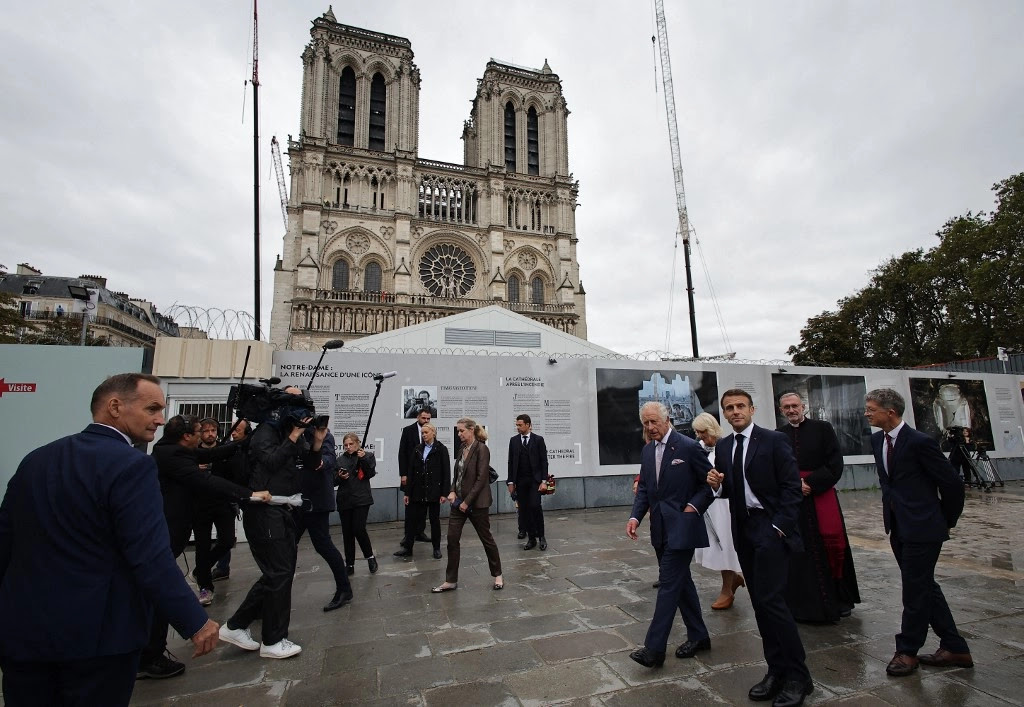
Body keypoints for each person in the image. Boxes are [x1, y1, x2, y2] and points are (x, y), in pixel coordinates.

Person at [0, 373, 219, 707]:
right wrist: (195, 621)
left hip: (24, 634)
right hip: (96, 639)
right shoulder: (132, 466)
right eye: (152, 408)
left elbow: (5, 542)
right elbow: (150, 557)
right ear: (115, 406)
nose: (160, 419)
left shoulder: (37, 459)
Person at [707, 389, 813, 707]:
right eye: (729, 408)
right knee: (760, 603)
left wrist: (779, 527)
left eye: (741, 406)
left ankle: (798, 676)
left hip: (771, 528)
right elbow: (730, 489)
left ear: (752, 409)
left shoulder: (773, 440)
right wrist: (718, 483)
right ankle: (776, 670)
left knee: (773, 601)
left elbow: (792, 487)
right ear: (724, 414)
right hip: (744, 529)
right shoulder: (725, 445)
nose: (735, 411)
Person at [142, 414, 264, 678]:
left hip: (173, 529)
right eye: (199, 432)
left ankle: (150, 652)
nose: (202, 436)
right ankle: (150, 656)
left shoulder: (172, 451)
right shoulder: (171, 456)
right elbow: (206, 480)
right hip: (168, 531)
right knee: (161, 593)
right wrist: (249, 494)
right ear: (187, 436)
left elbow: (213, 454)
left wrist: (248, 439)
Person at [865, 388, 973, 677]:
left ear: (891, 412)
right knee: (924, 586)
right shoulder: (878, 440)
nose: (866, 413)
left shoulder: (920, 442)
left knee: (914, 590)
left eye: (871, 408)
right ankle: (955, 647)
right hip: (899, 526)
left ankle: (907, 651)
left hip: (924, 527)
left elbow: (951, 484)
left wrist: (944, 520)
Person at [219, 387, 327, 660]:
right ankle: (273, 640)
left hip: (283, 510)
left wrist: (316, 441)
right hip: (264, 511)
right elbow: (269, 462)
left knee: (278, 574)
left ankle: (236, 625)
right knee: (279, 574)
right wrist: (293, 435)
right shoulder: (265, 432)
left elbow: (311, 462)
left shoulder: (286, 433)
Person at [626, 402, 714, 668]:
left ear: (667, 420)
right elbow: (645, 490)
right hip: (660, 530)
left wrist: (692, 507)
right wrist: (634, 517)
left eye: (654, 422)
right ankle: (699, 636)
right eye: (646, 424)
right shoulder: (647, 450)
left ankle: (654, 649)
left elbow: (707, 486)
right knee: (681, 583)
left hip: (683, 527)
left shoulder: (688, 447)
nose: (650, 428)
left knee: (667, 584)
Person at [776, 392, 860, 623]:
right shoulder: (778, 435)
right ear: (781, 410)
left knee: (832, 542)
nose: (791, 410)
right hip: (794, 498)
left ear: (803, 406)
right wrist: (795, 485)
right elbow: (777, 467)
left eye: (795, 406)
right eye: (787, 407)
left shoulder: (822, 428)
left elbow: (835, 463)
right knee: (799, 549)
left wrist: (810, 484)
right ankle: (803, 601)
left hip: (820, 492)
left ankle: (839, 598)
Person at [432, 418, 503, 593]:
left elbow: (481, 479)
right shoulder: (462, 448)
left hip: (477, 503)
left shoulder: (482, 449)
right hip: (459, 503)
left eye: (462, 430)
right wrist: (452, 491)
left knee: (486, 539)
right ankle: (450, 580)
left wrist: (466, 502)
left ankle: (498, 575)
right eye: (458, 431)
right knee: (451, 539)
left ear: (471, 430)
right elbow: (457, 474)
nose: (459, 434)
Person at [294, 424, 353, 611]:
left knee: (323, 545)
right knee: (285, 547)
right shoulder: (289, 433)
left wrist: (317, 450)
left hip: (316, 502)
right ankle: (267, 596)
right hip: (293, 500)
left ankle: (344, 588)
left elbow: (326, 460)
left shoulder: (321, 435)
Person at [691, 412, 745, 611]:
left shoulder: (725, 447)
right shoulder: (698, 449)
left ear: (712, 429)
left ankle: (727, 589)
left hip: (724, 503)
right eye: (697, 432)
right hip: (707, 504)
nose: (700, 436)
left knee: (725, 544)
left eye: (703, 432)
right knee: (713, 545)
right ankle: (733, 580)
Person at [191, 417, 243, 606]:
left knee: (227, 540)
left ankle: (201, 569)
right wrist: (195, 469)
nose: (210, 434)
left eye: (213, 430)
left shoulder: (224, 451)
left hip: (222, 504)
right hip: (200, 506)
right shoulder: (193, 453)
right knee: (202, 546)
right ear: (200, 433)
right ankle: (206, 587)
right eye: (206, 431)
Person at [400, 422, 451, 559]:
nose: (423, 435)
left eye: (426, 432)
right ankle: (408, 547)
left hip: (433, 490)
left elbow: (446, 472)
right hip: (417, 490)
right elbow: (411, 471)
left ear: (433, 433)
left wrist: (444, 493)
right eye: (422, 433)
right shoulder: (417, 449)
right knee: (412, 520)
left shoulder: (441, 449)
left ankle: (436, 548)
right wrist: (407, 492)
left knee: (434, 521)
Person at [212, 420, 253, 581]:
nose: (234, 433)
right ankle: (222, 567)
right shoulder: (225, 450)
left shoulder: (250, 448)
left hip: (247, 494)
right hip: (227, 496)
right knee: (225, 536)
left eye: (238, 430)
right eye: (232, 430)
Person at [336, 433, 379, 575]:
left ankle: (370, 557)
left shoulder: (368, 456)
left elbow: (370, 473)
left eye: (351, 444)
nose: (348, 447)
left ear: (357, 443)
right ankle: (349, 563)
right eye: (346, 445)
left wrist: (364, 458)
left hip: (361, 498)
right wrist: (339, 477)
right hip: (345, 499)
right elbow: (333, 480)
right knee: (347, 532)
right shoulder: (340, 460)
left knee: (358, 528)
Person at [507, 414, 550, 551]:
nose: (517, 427)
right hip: (520, 481)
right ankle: (531, 539)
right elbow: (511, 462)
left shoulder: (538, 440)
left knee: (535, 506)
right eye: (517, 425)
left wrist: (544, 481)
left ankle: (541, 537)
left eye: (520, 425)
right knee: (524, 509)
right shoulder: (513, 441)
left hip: (535, 481)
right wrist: (510, 482)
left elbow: (544, 461)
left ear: (528, 425)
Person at [396, 410, 433, 555]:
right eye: (423, 418)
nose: (425, 420)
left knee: (424, 506)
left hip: (425, 477)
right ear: (418, 417)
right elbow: (402, 453)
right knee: (410, 507)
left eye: (428, 418)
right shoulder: (408, 431)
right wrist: (403, 474)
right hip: (411, 475)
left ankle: (420, 532)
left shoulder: (431, 432)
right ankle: (408, 535)